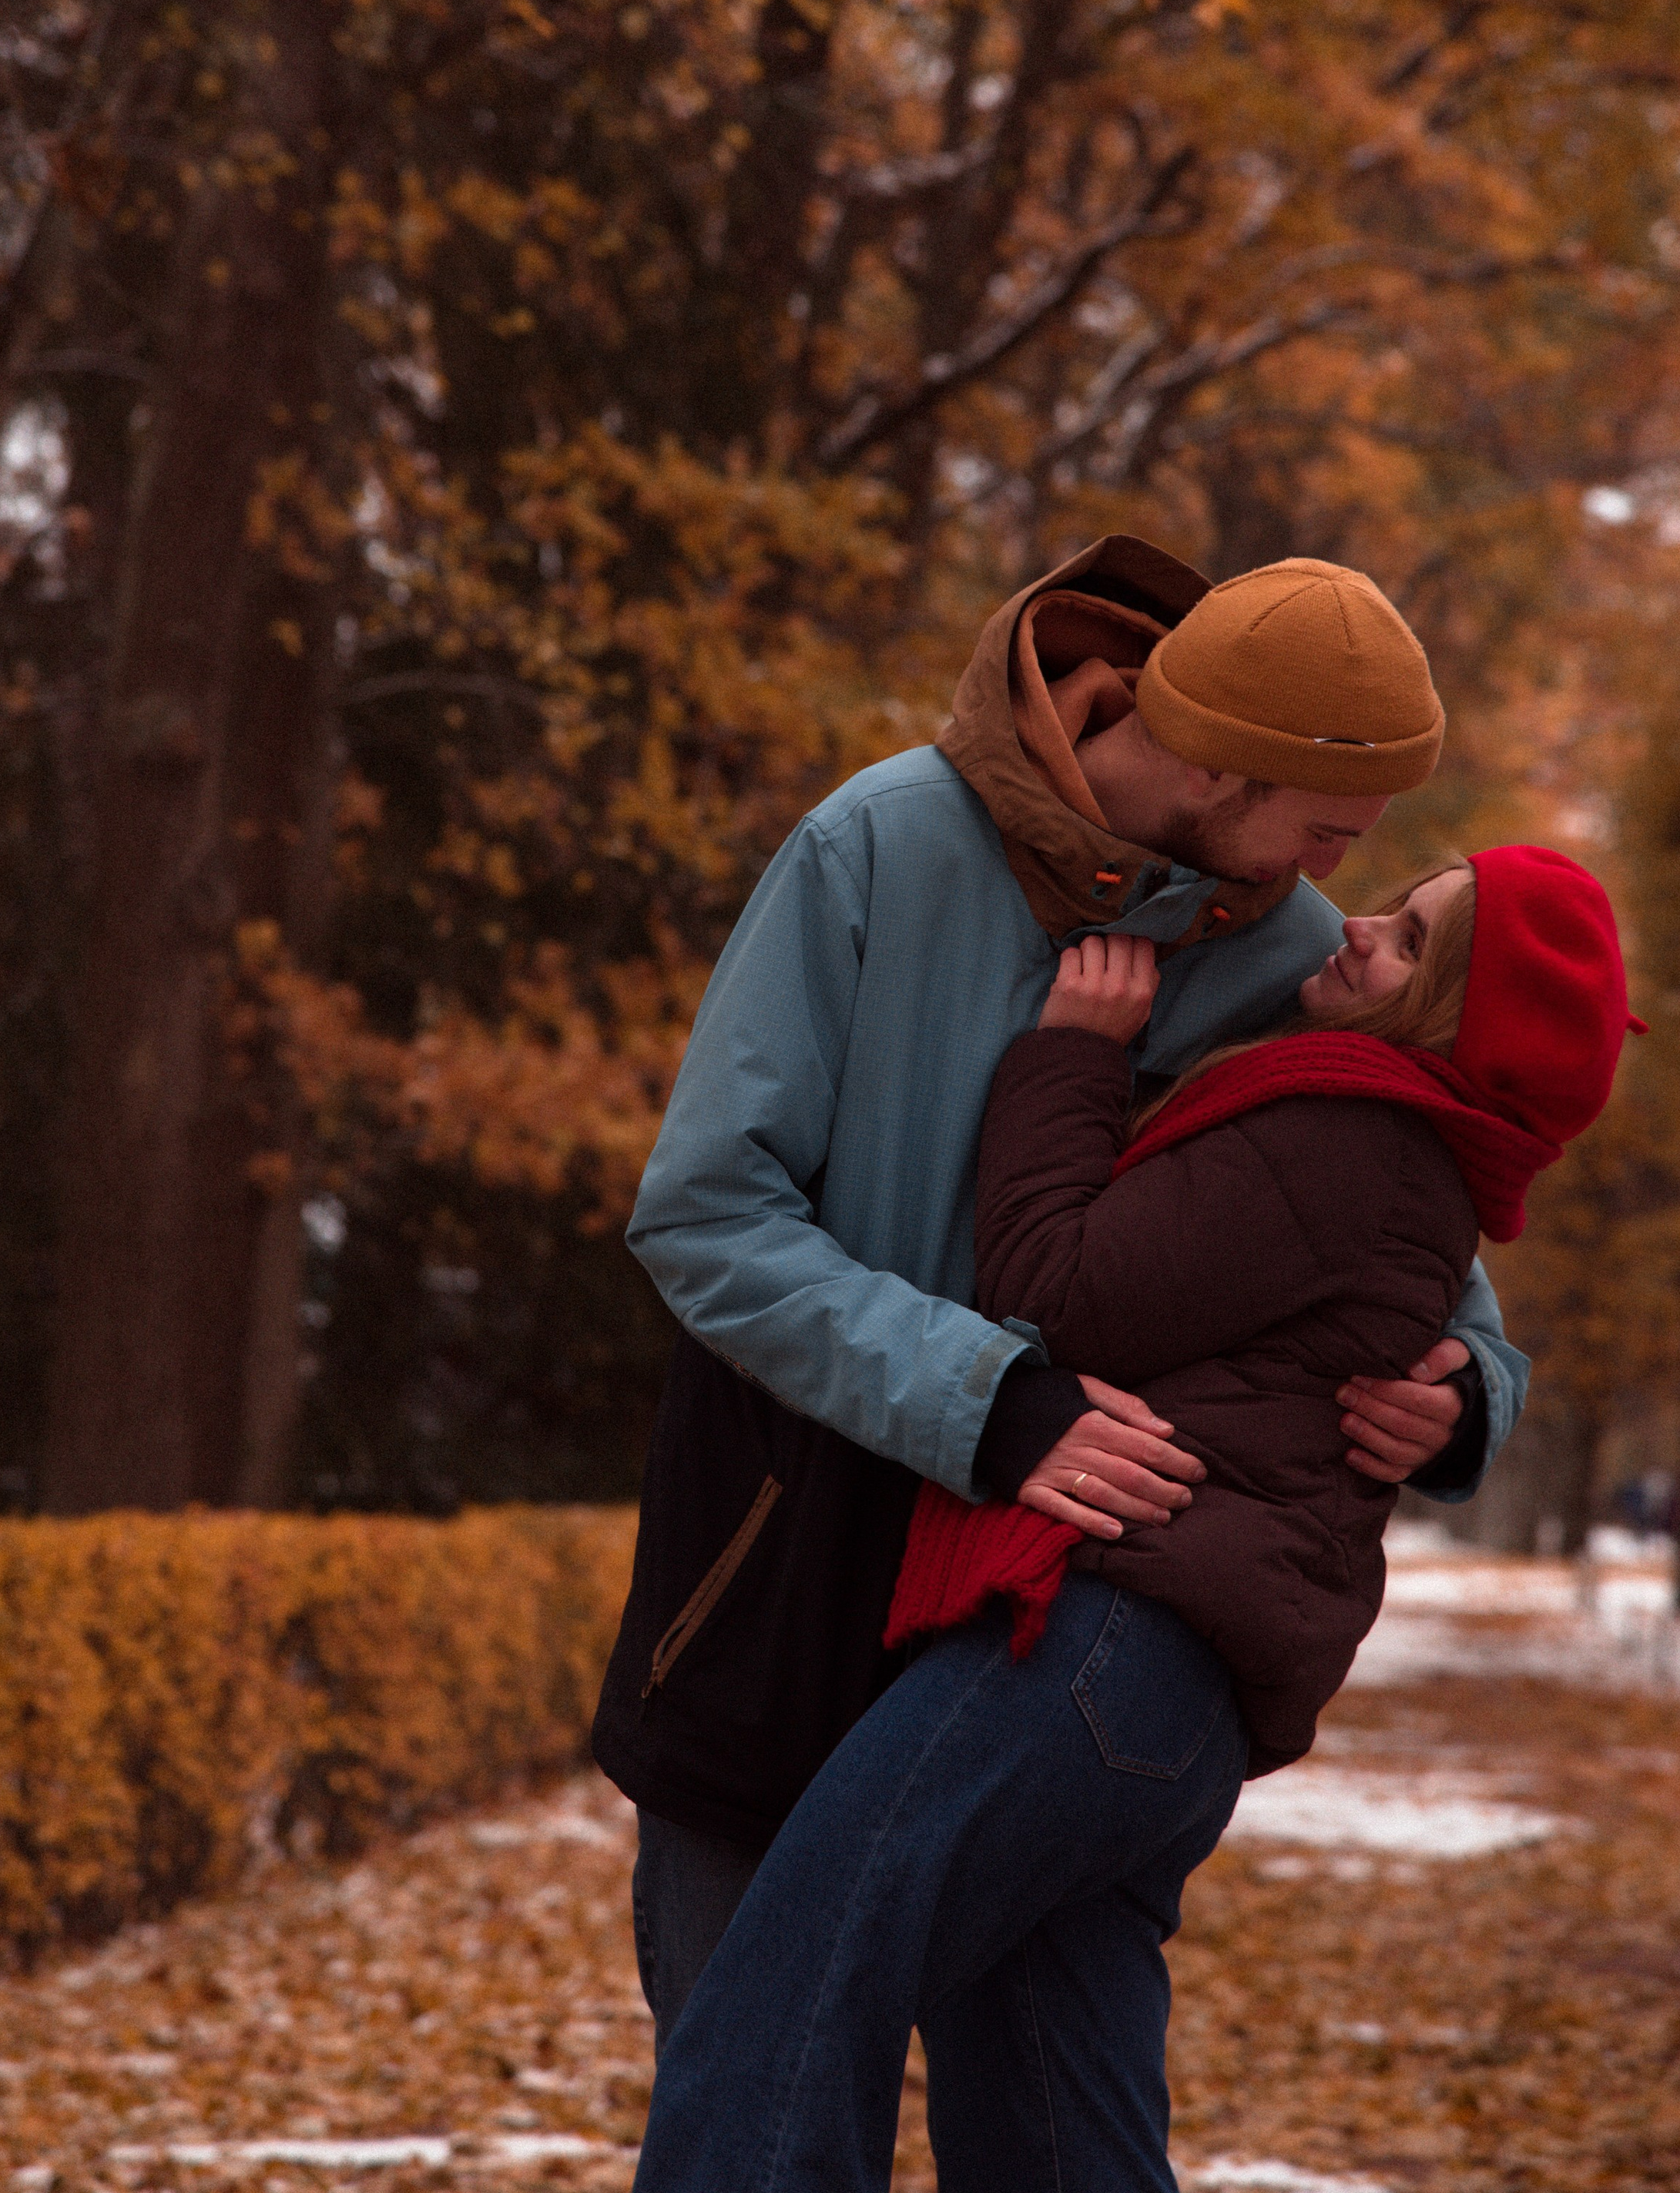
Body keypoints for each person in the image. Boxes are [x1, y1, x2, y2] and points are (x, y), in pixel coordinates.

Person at [602, 845, 1635, 2193]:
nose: (1351, 924)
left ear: (1453, 1026)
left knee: (792, 1988)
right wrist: (1474, 1387)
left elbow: (1053, 1285)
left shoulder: (1346, 1131)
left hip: (1095, 1644)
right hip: (1153, 1685)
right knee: (1057, 2129)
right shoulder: (1364, 1114)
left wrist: (1066, 1061)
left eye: (1409, 940)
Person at [592, 538, 1525, 2055]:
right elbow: (704, 1213)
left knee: (1040, 2142)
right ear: (1223, 771)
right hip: (787, 1545)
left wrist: (1464, 1391)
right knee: (743, 2093)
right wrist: (991, 1402)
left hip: (1044, 1620)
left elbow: (1419, 1240)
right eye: (1327, 822)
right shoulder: (876, 843)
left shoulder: (1282, 944)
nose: (1341, 869)